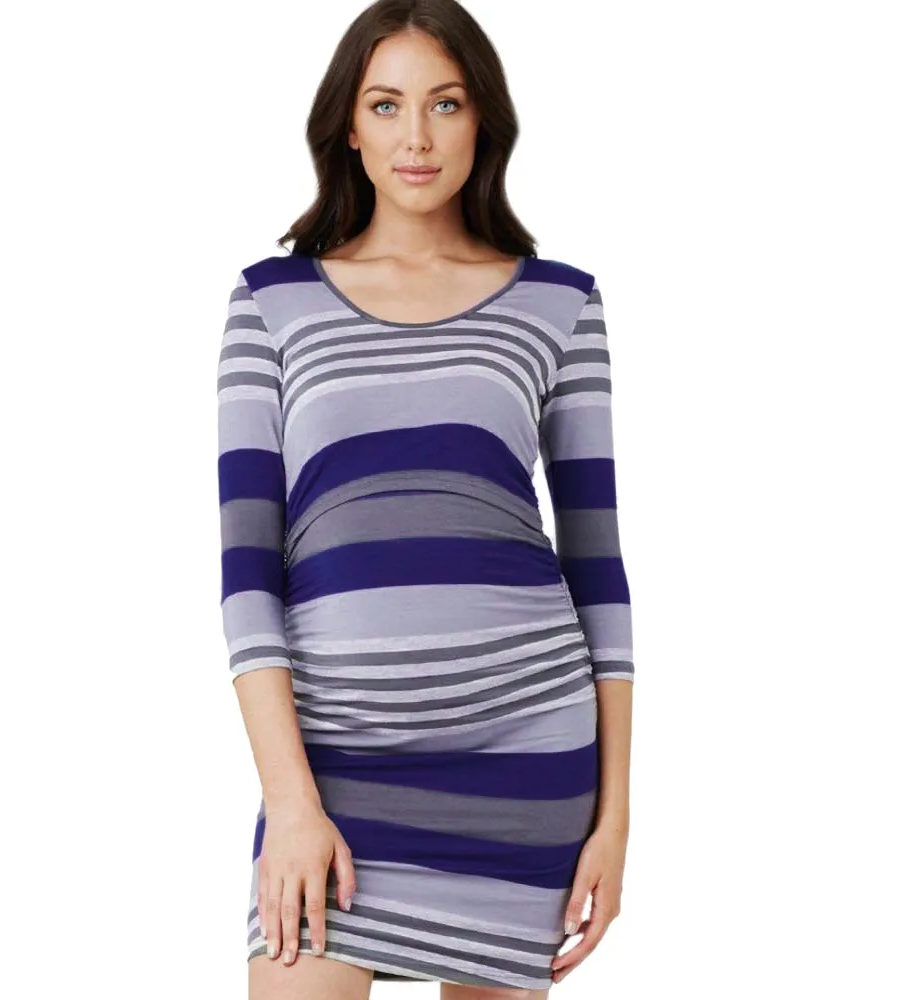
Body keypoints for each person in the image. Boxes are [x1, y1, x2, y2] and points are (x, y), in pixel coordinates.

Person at [216, 2, 634, 997]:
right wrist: (289, 799)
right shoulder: (271, 301)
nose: (416, 136)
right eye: (386, 104)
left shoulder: (559, 302)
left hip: (525, 757)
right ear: (348, 128)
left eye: (445, 104)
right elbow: (245, 572)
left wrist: (615, 817)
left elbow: (598, 568)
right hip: (333, 769)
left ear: (482, 119)